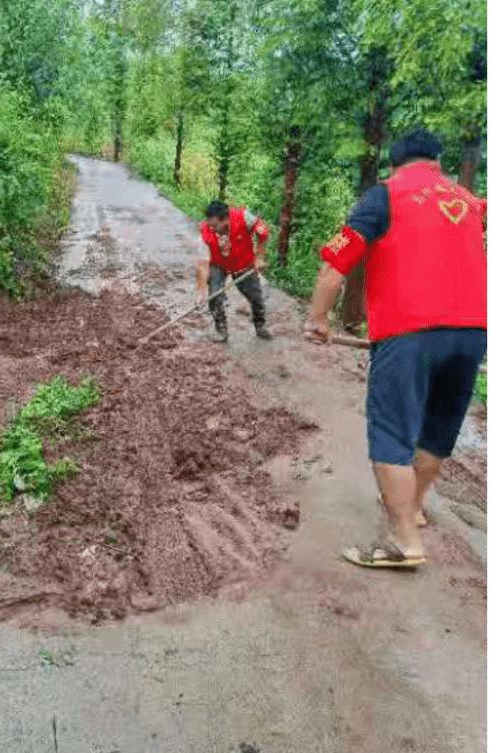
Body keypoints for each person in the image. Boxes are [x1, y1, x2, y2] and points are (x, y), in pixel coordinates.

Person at [305, 128, 487, 570]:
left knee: (390, 431)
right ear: (437, 164)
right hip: (473, 332)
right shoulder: (470, 202)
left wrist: (318, 319)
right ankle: (414, 507)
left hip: (409, 332)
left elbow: (334, 263)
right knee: (438, 427)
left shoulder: (385, 195)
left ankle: (402, 540)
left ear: (393, 164)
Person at [196, 200, 272, 342]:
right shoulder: (206, 230)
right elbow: (202, 262)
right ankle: (221, 330)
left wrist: (259, 257)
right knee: (214, 297)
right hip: (218, 264)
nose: (211, 228)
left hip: (243, 264)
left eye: (215, 225)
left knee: (256, 298)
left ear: (225, 219)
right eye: (209, 224)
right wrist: (201, 291)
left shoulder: (244, 218)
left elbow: (263, 233)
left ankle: (260, 326)